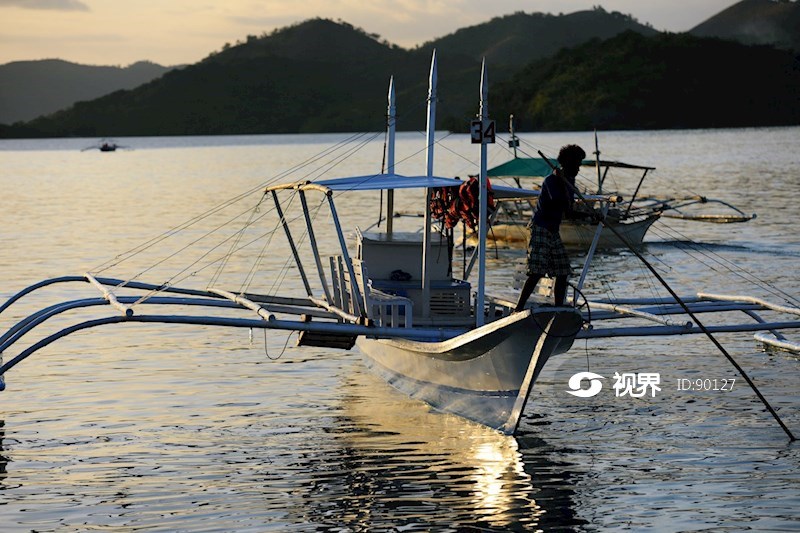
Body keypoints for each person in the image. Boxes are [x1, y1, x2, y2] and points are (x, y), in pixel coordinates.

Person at [515, 144, 586, 311]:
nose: (578, 169)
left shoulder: (569, 182)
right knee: (537, 271)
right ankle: (518, 308)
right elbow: (557, 201)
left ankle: (559, 307)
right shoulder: (552, 180)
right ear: (568, 163)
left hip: (553, 230)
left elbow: (568, 212)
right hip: (540, 227)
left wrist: (590, 215)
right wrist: (563, 184)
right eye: (576, 164)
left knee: (563, 270)